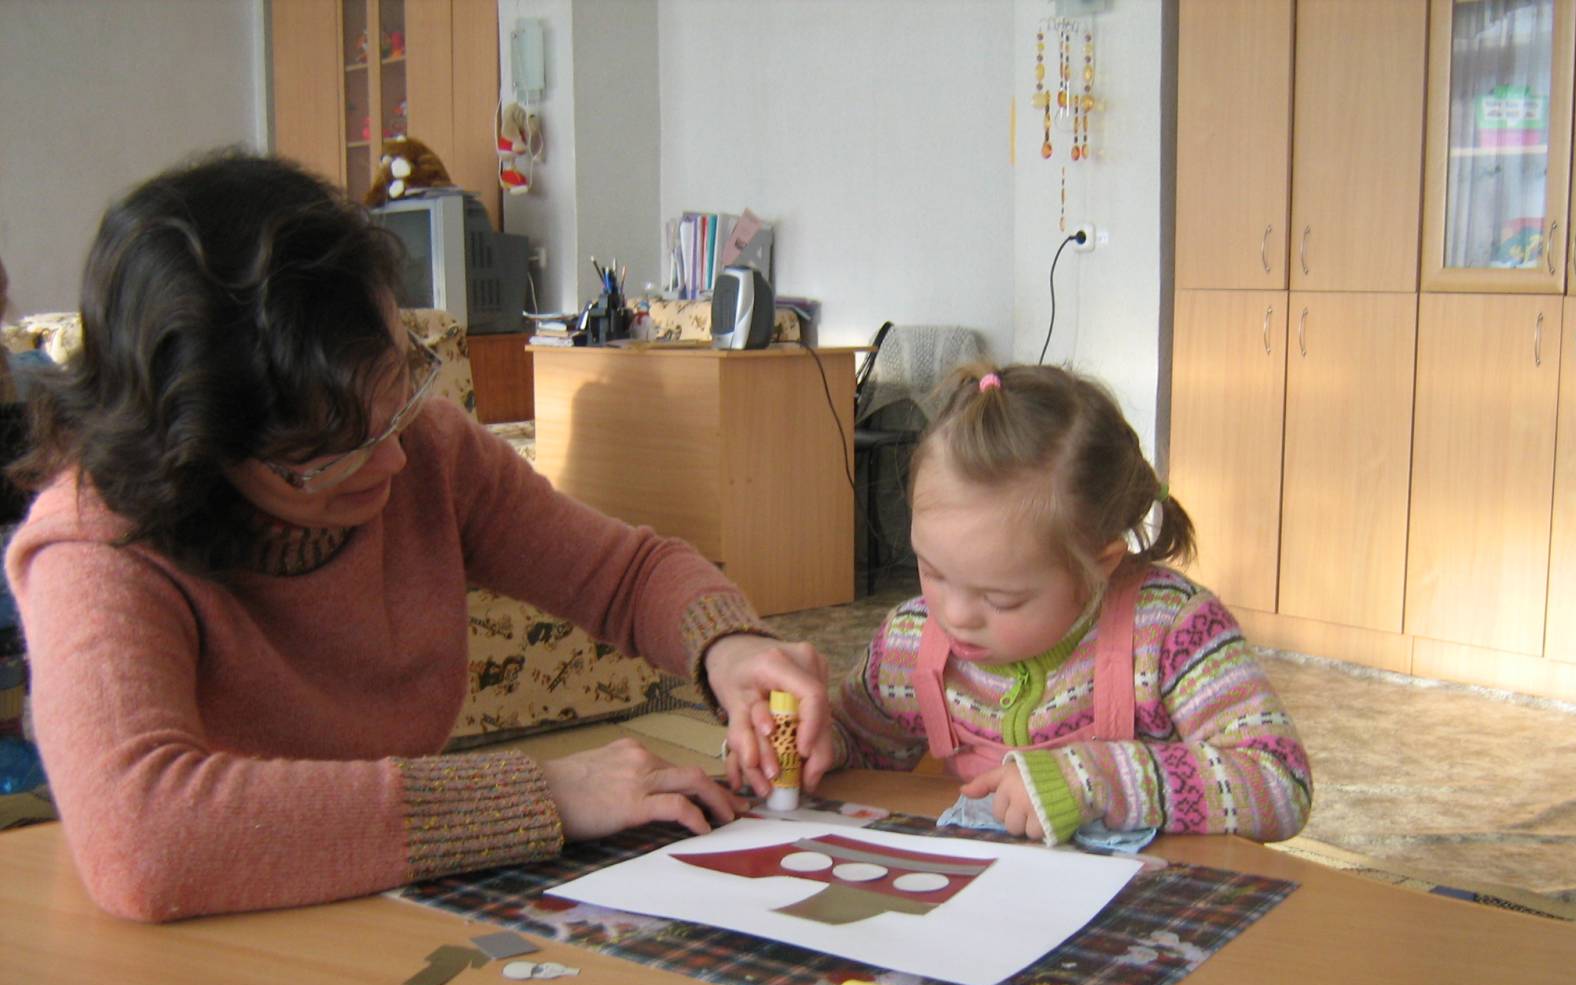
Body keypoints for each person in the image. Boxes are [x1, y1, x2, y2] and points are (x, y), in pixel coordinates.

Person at [3, 150, 832, 922]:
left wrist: (727, 647)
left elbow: (625, 574)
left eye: (398, 393)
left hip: (383, 902)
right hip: (211, 943)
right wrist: (539, 794)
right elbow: (144, 839)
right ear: (201, 453)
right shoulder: (96, 543)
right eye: (330, 454)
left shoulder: (427, 452)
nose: (394, 459)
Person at [823, 364, 1311, 846]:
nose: (953, 615)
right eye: (932, 572)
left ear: (1099, 565)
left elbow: (1280, 783)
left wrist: (1095, 779)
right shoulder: (908, 644)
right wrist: (819, 744)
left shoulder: (1171, 632)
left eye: (1001, 598)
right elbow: (858, 747)